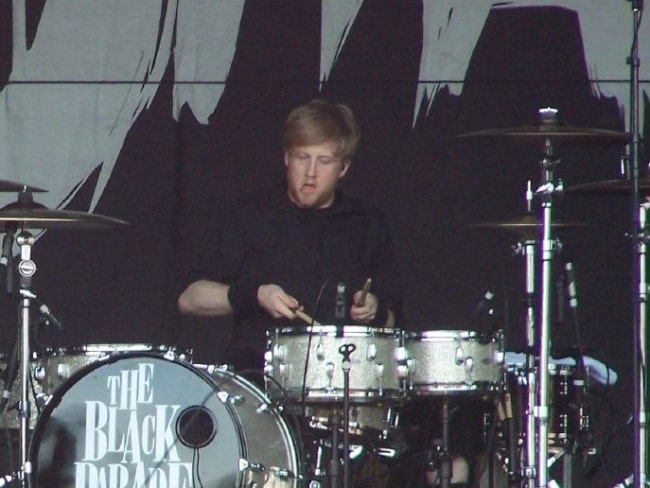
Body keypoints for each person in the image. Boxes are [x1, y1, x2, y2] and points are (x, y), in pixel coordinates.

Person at [177, 98, 403, 373]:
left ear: (343, 168)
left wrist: (375, 311)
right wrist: (254, 295)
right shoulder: (250, 215)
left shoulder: (367, 224)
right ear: (286, 158)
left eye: (324, 161)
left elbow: (396, 326)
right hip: (258, 381)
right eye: (302, 157)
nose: (310, 173)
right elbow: (190, 298)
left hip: (343, 382)